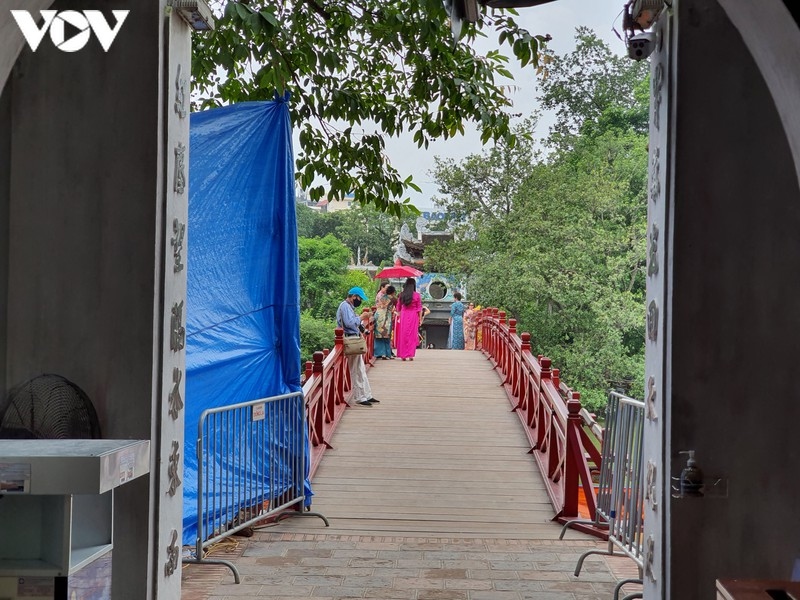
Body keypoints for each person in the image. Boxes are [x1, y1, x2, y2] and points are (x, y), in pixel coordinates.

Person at [336, 287, 379, 406]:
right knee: (355, 369)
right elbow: (350, 323)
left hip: (355, 338)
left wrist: (365, 327)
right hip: (350, 339)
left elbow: (356, 323)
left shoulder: (350, 307)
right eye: (359, 298)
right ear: (354, 296)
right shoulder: (344, 306)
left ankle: (367, 394)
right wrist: (362, 317)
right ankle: (360, 397)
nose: (359, 300)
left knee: (360, 369)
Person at [395, 277, 422, 361]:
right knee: (412, 335)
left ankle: (403, 355)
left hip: (404, 315)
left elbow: (398, 308)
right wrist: (420, 319)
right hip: (413, 315)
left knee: (403, 334)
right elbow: (419, 308)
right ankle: (410, 355)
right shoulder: (417, 295)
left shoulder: (401, 295)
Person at [373, 285, 396, 360]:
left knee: (379, 336)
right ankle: (387, 354)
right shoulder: (394, 299)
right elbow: (397, 307)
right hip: (387, 317)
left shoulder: (382, 297)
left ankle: (380, 353)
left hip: (379, 316)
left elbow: (379, 306)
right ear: (393, 292)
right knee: (387, 336)